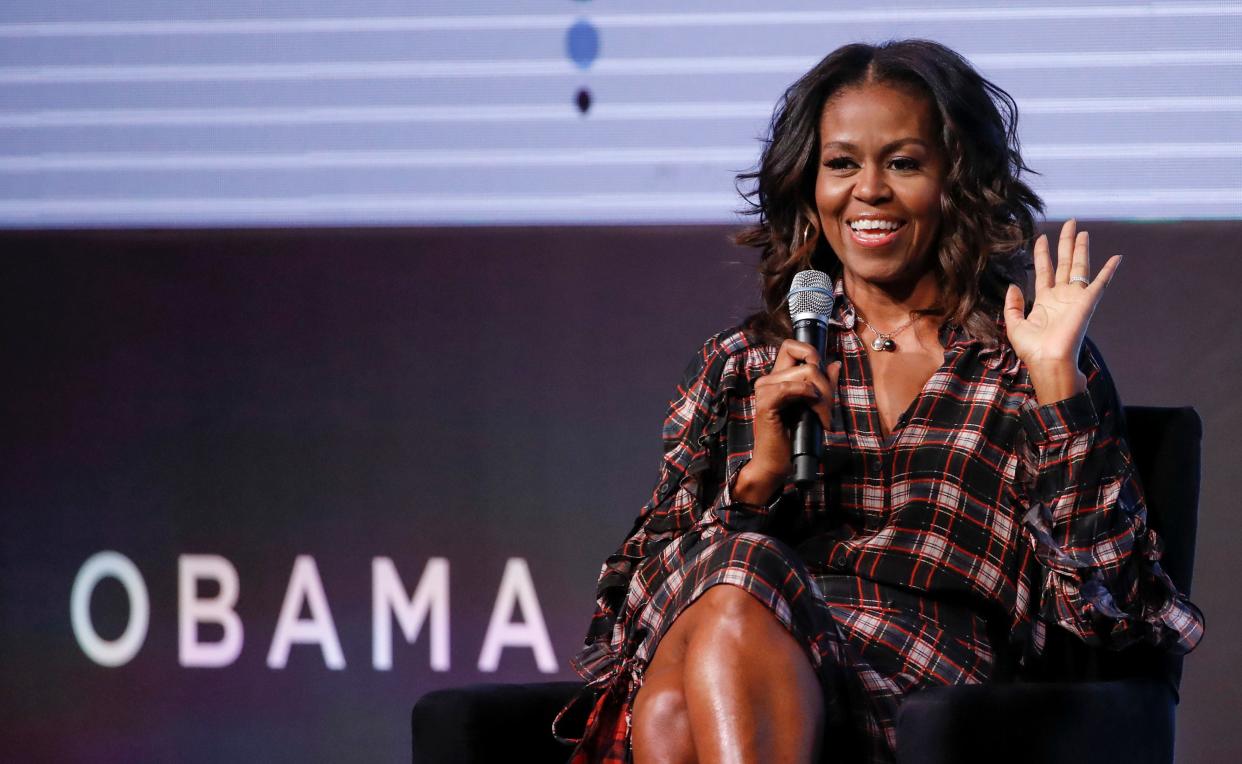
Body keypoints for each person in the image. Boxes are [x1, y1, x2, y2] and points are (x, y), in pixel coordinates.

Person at [554, 39, 1205, 764]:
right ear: (809, 185)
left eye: (903, 163)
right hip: (754, 661)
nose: (868, 190)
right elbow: (635, 612)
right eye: (841, 164)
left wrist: (1058, 388)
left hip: (936, 689)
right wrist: (759, 479)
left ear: (957, 182)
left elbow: (1110, 611)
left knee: (719, 620)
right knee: (726, 600)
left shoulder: (1021, 359)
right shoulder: (744, 363)